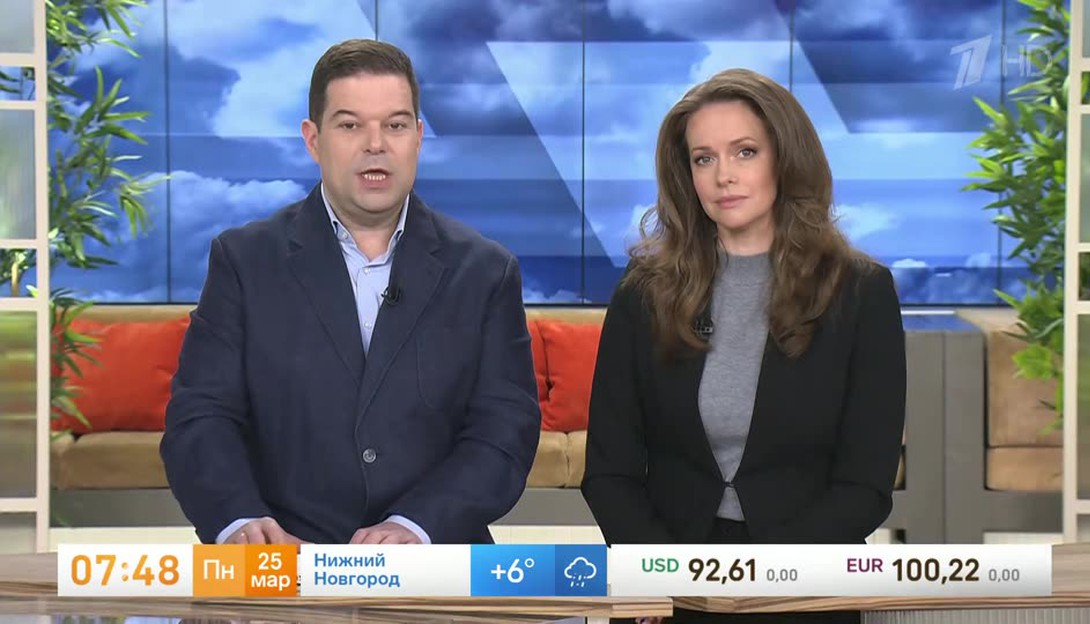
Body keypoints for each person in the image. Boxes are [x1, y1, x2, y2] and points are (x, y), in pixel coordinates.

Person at [161, 39, 541, 546]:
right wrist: (239, 520)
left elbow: (504, 431)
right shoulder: (244, 262)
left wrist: (415, 526)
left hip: (434, 563)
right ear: (313, 139)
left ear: (418, 138)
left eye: (395, 125)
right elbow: (202, 416)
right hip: (282, 560)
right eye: (350, 125)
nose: (375, 144)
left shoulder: (485, 272)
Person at [582, 68, 906, 624]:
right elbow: (610, 470)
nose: (723, 176)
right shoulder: (644, 292)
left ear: (786, 158)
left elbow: (865, 484)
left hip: (804, 588)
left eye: (745, 152)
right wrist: (658, 571)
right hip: (667, 591)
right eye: (703, 158)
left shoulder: (860, 293)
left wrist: (763, 577)